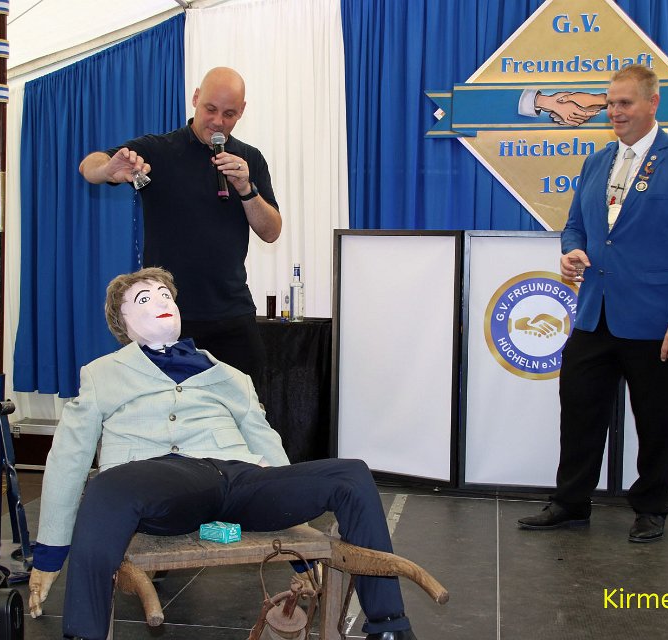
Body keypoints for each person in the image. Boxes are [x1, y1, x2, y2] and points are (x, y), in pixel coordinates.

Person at [26, 267, 418, 640]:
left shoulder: (231, 376)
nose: (160, 301)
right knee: (106, 486)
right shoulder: (101, 374)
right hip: (157, 482)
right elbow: (69, 456)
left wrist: (299, 546)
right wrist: (49, 555)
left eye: (165, 295)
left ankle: (389, 625)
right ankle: (84, 632)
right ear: (121, 322)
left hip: (241, 478)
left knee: (351, 474)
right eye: (143, 298)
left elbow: (267, 444)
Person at [517, 65, 668, 543]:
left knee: (656, 421)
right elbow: (575, 226)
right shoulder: (596, 161)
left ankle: (651, 507)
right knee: (579, 413)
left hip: (656, 321)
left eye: (625, 103)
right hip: (595, 315)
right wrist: (571, 252)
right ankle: (570, 502)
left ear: (653, 103)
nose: (614, 111)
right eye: (610, 103)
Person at [78, 67, 281, 390]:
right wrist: (108, 170)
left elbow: (271, 231)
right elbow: (89, 166)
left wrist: (247, 189)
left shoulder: (249, 159)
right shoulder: (159, 150)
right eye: (210, 109)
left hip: (232, 313)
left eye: (229, 114)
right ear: (196, 98)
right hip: (166, 317)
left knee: (247, 408)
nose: (218, 121)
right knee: (166, 413)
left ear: (242, 111)